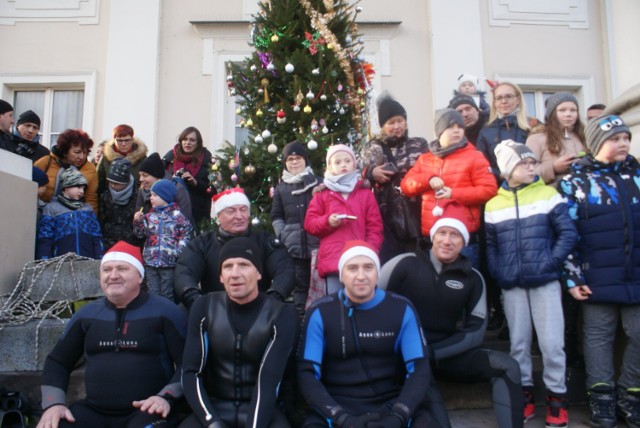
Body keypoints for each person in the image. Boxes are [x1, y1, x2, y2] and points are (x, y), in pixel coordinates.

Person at [381, 204, 524, 428]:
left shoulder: (473, 278)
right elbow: (372, 307)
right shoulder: (403, 264)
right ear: (433, 236)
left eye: (455, 235)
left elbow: (475, 332)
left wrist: (433, 352)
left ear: (464, 242)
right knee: (425, 385)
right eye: (442, 233)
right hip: (406, 357)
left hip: (445, 354)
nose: (447, 241)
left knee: (508, 366)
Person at [297, 240, 448, 428]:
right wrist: (341, 418)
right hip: (338, 407)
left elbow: (419, 368)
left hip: (391, 404)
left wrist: (399, 415)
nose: (361, 276)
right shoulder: (320, 312)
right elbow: (307, 373)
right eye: (352, 268)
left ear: (377, 273)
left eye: (368, 267)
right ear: (341, 275)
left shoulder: (401, 308)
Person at [36, 241, 187, 428]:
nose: (113, 276)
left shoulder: (165, 311)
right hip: (94, 411)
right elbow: (57, 362)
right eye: (107, 270)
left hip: (148, 410)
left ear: (140, 276)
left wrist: (166, 396)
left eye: (122, 269)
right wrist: (54, 404)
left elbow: (188, 364)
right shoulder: (87, 315)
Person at [485, 140, 578, 428]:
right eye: (523, 163)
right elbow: (490, 245)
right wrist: (500, 271)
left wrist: (550, 262)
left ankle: (556, 400)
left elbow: (568, 234)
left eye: (531, 162)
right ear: (507, 169)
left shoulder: (548, 194)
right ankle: (523, 396)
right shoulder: (493, 203)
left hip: (545, 282)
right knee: (519, 344)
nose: (530, 166)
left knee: (551, 344)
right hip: (512, 285)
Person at [558, 114, 640, 428]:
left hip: (634, 272)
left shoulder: (637, 175)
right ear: (596, 144)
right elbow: (567, 232)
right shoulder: (575, 180)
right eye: (614, 139)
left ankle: (630, 394)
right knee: (598, 338)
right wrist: (573, 276)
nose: (622, 144)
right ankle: (601, 398)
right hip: (595, 276)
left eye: (625, 138)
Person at [180, 237, 298, 427]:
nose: (235, 274)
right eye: (227, 266)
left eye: (244, 265)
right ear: (220, 277)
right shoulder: (204, 307)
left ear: (259, 273)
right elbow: (191, 372)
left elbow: (269, 380)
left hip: (262, 409)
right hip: (213, 407)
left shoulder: (281, 314)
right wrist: (212, 422)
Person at [400, 108, 497, 267]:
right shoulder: (425, 159)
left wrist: (454, 194)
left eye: (459, 127)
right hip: (432, 239)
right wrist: (428, 179)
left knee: (463, 286)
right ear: (439, 131)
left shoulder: (474, 156)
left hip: (463, 239)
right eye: (450, 127)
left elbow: (489, 189)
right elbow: (406, 186)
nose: (456, 131)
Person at [174, 187, 295, 308]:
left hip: (259, 310)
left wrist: (274, 297)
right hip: (214, 310)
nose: (239, 216)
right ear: (219, 217)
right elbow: (185, 271)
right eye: (231, 211)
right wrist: (194, 299)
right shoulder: (202, 244)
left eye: (243, 210)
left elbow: (284, 269)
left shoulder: (265, 241)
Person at [304, 144, 383, 294]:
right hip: (334, 261)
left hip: (360, 260)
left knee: (362, 301)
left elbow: (375, 227)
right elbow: (310, 223)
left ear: (354, 163)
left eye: (347, 161)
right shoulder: (322, 194)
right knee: (336, 305)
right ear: (330, 167)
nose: (343, 165)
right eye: (337, 162)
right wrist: (328, 221)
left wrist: (370, 251)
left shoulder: (365, 194)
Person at [360, 93, 427, 262]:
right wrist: (371, 173)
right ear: (383, 126)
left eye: (400, 121)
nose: (397, 126)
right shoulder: (373, 148)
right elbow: (358, 179)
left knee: (417, 264)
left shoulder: (419, 144)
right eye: (391, 123)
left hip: (417, 216)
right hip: (386, 220)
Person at [271, 141, 321, 317]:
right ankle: (301, 323)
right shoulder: (281, 188)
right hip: (294, 248)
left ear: (305, 160)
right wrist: (283, 234)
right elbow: (276, 215)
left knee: (318, 286)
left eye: (298, 158)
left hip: (317, 246)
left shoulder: (318, 183)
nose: (294, 162)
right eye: (290, 159)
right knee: (300, 288)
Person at [133, 179, 192, 301]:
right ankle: (154, 315)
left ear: (165, 196)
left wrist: (178, 250)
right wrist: (138, 222)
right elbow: (140, 234)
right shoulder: (149, 216)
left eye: (155, 195)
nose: (151, 198)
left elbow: (186, 233)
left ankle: (168, 316)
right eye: (151, 195)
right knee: (153, 293)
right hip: (150, 262)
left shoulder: (177, 216)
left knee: (167, 293)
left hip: (169, 262)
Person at [476, 81, 539, 182]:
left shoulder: (533, 125)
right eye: (499, 98)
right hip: (499, 188)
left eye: (509, 96)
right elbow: (482, 164)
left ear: (518, 99)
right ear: (494, 102)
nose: (504, 101)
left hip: (532, 184)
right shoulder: (486, 132)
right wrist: (501, 174)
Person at [36, 168, 103, 260]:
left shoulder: (88, 209)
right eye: (78, 187)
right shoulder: (52, 208)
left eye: (83, 188)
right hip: (60, 262)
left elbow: (96, 236)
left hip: (87, 261)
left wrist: (100, 257)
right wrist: (44, 259)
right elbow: (45, 238)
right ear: (66, 187)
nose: (82, 192)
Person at [526, 92, 588, 185]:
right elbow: (526, 172)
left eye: (573, 110)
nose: (568, 114)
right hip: (553, 195)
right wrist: (553, 167)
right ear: (552, 113)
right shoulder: (537, 138)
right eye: (562, 110)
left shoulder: (585, 136)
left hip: (586, 192)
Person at [34, 129, 99, 214]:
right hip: (42, 213)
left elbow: (91, 200)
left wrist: (90, 220)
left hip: (73, 218)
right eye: (77, 152)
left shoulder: (89, 168)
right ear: (65, 151)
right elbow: (30, 189)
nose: (82, 157)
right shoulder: (45, 162)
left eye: (85, 152)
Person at [163, 126, 213, 229]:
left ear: (198, 143)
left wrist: (196, 183)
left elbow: (213, 189)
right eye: (185, 139)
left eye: (192, 140)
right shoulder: (170, 157)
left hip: (198, 213)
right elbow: (160, 181)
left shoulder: (207, 159)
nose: (187, 143)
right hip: (172, 212)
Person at [136, 152, 194, 226]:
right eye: (140, 175)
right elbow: (139, 214)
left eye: (145, 175)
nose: (141, 179)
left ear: (157, 175)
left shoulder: (178, 190)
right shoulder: (143, 189)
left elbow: (185, 220)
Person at [97, 124, 148, 195]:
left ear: (132, 140)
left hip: (136, 199)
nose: (123, 144)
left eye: (127, 140)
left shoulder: (141, 158)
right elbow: (99, 182)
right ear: (114, 140)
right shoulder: (106, 158)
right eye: (119, 141)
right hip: (110, 200)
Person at [99, 158, 137, 250]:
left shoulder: (136, 197)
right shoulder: (106, 196)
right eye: (110, 182)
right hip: (108, 243)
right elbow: (102, 220)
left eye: (117, 183)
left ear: (127, 182)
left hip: (130, 243)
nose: (112, 185)